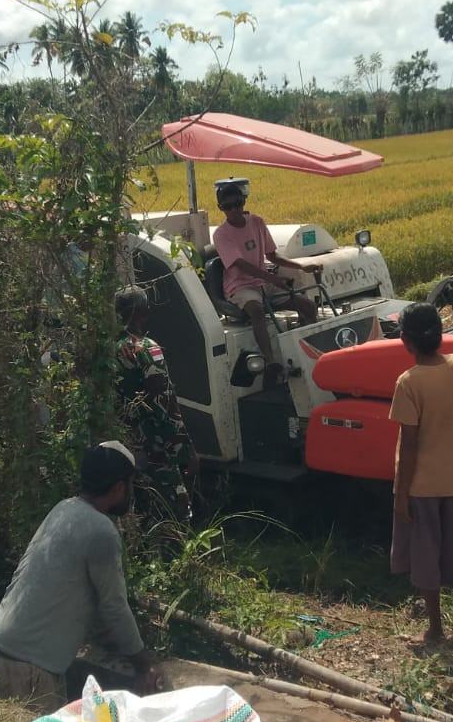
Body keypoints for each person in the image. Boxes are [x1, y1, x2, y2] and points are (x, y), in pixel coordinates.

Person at [0, 441, 160, 711]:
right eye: (131, 483)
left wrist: (103, 633)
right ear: (119, 488)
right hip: (29, 670)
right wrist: (144, 667)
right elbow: (114, 605)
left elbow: (72, 586)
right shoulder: (102, 531)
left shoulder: (64, 508)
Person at [390, 302, 453, 646]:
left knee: (426, 553)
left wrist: (400, 493)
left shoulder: (408, 382)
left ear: (405, 341)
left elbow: (409, 445)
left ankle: (436, 630)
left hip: (423, 484)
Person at [211, 182, 321, 386]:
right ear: (221, 209)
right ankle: (270, 362)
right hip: (241, 286)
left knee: (307, 305)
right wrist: (273, 279)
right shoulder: (221, 234)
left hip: (263, 282)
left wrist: (301, 266)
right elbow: (241, 265)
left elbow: (272, 255)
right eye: (228, 207)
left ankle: (313, 352)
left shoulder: (257, 223)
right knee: (256, 309)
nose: (234, 210)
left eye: (237, 204)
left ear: (244, 202)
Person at [114, 285, 200, 521]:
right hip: (156, 447)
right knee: (176, 513)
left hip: (125, 446)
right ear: (143, 311)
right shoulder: (146, 349)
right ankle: (175, 555)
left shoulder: (108, 348)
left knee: (138, 511)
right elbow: (164, 403)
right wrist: (185, 450)